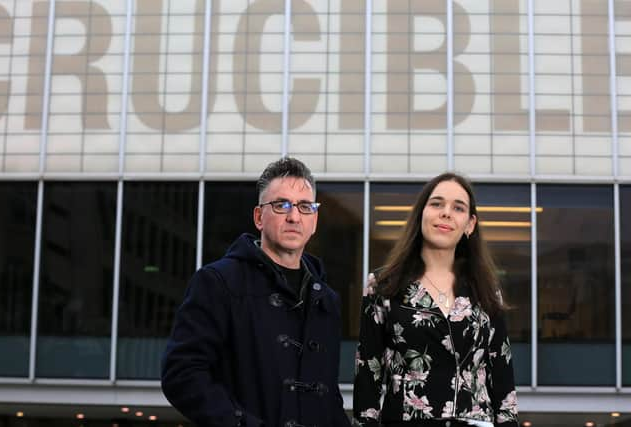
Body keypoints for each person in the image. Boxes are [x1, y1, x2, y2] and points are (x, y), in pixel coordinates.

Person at [161, 157, 351, 427]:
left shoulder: (327, 300)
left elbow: (327, 396)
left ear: (315, 220)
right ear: (259, 217)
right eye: (281, 204)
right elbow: (182, 374)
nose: (294, 216)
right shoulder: (218, 281)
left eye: (305, 207)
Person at [353, 172, 518, 427]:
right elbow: (368, 375)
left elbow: (503, 382)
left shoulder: (486, 290)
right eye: (437, 204)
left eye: (458, 208)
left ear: (470, 224)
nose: (446, 213)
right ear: (421, 213)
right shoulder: (383, 286)